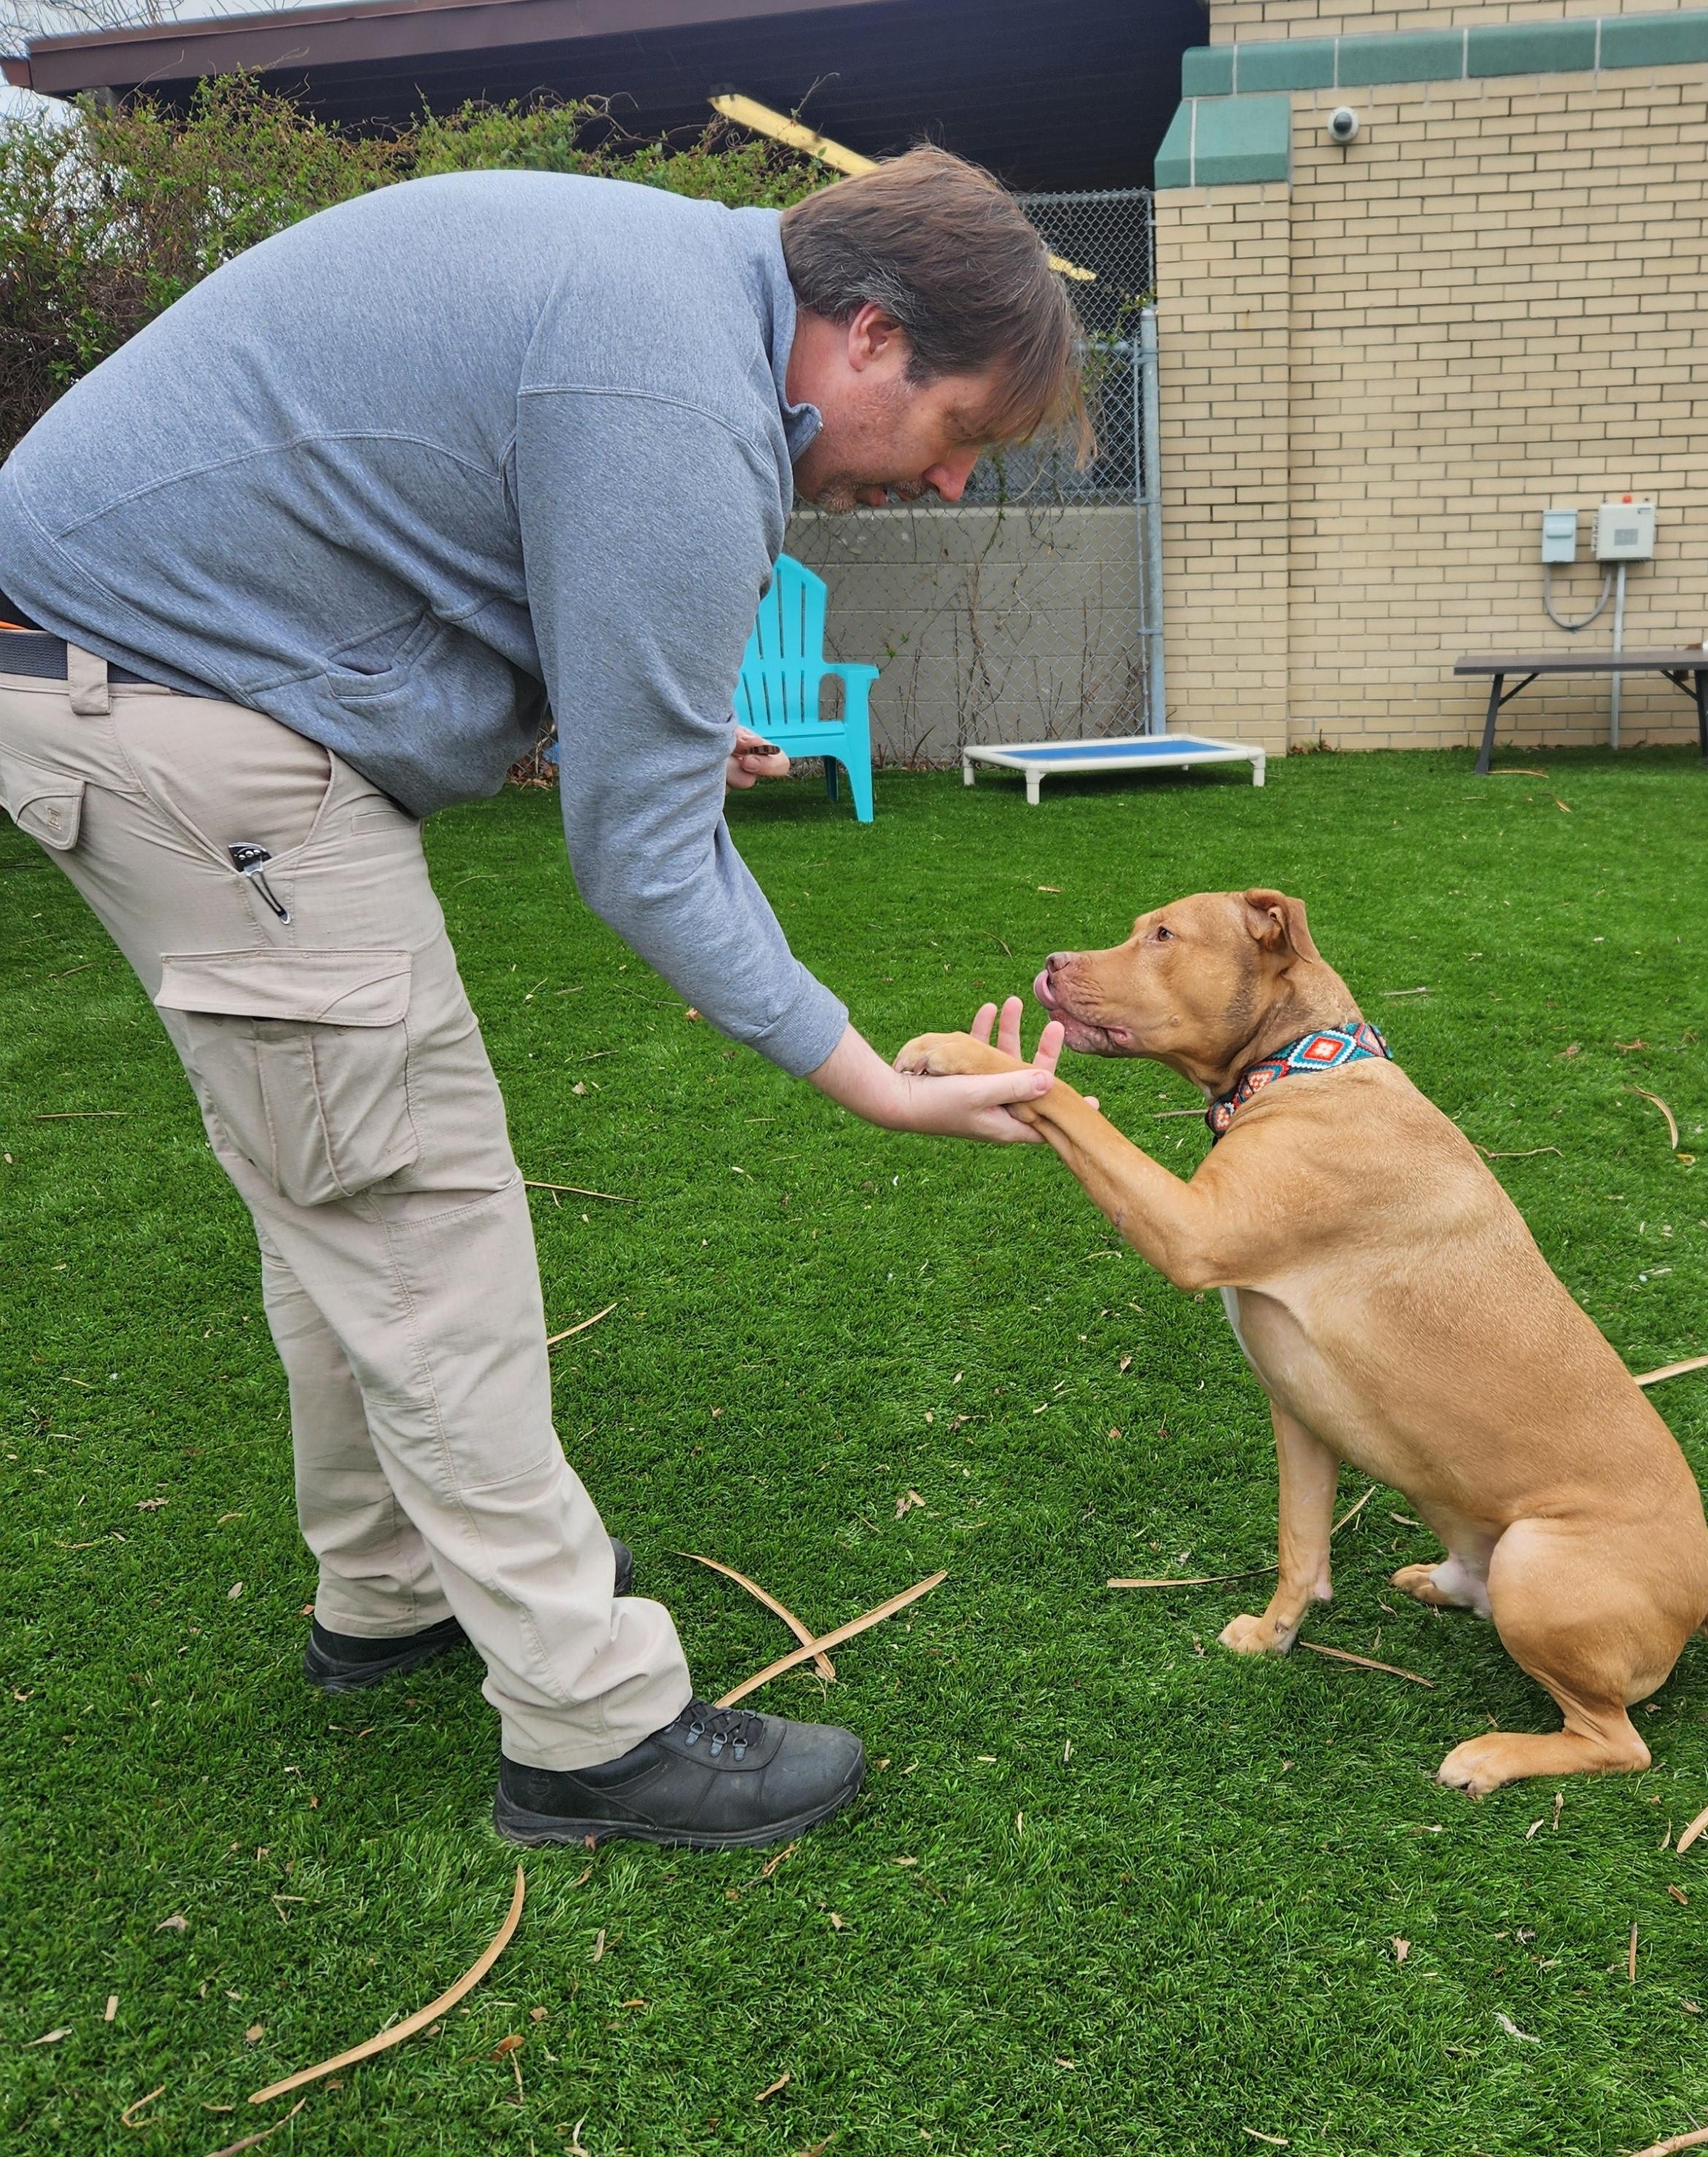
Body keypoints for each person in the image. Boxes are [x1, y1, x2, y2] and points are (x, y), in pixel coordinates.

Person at [0, 146, 1079, 1851]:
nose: (947, 483)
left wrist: (646, 723)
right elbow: (641, 858)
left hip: (122, 671)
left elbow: (443, 542)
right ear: (871, 335)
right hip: (171, 706)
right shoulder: (681, 396)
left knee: (330, 1186)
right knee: (418, 1214)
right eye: (959, 433)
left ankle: (393, 1586)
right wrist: (869, 1078)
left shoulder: (676, 296)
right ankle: (592, 1726)